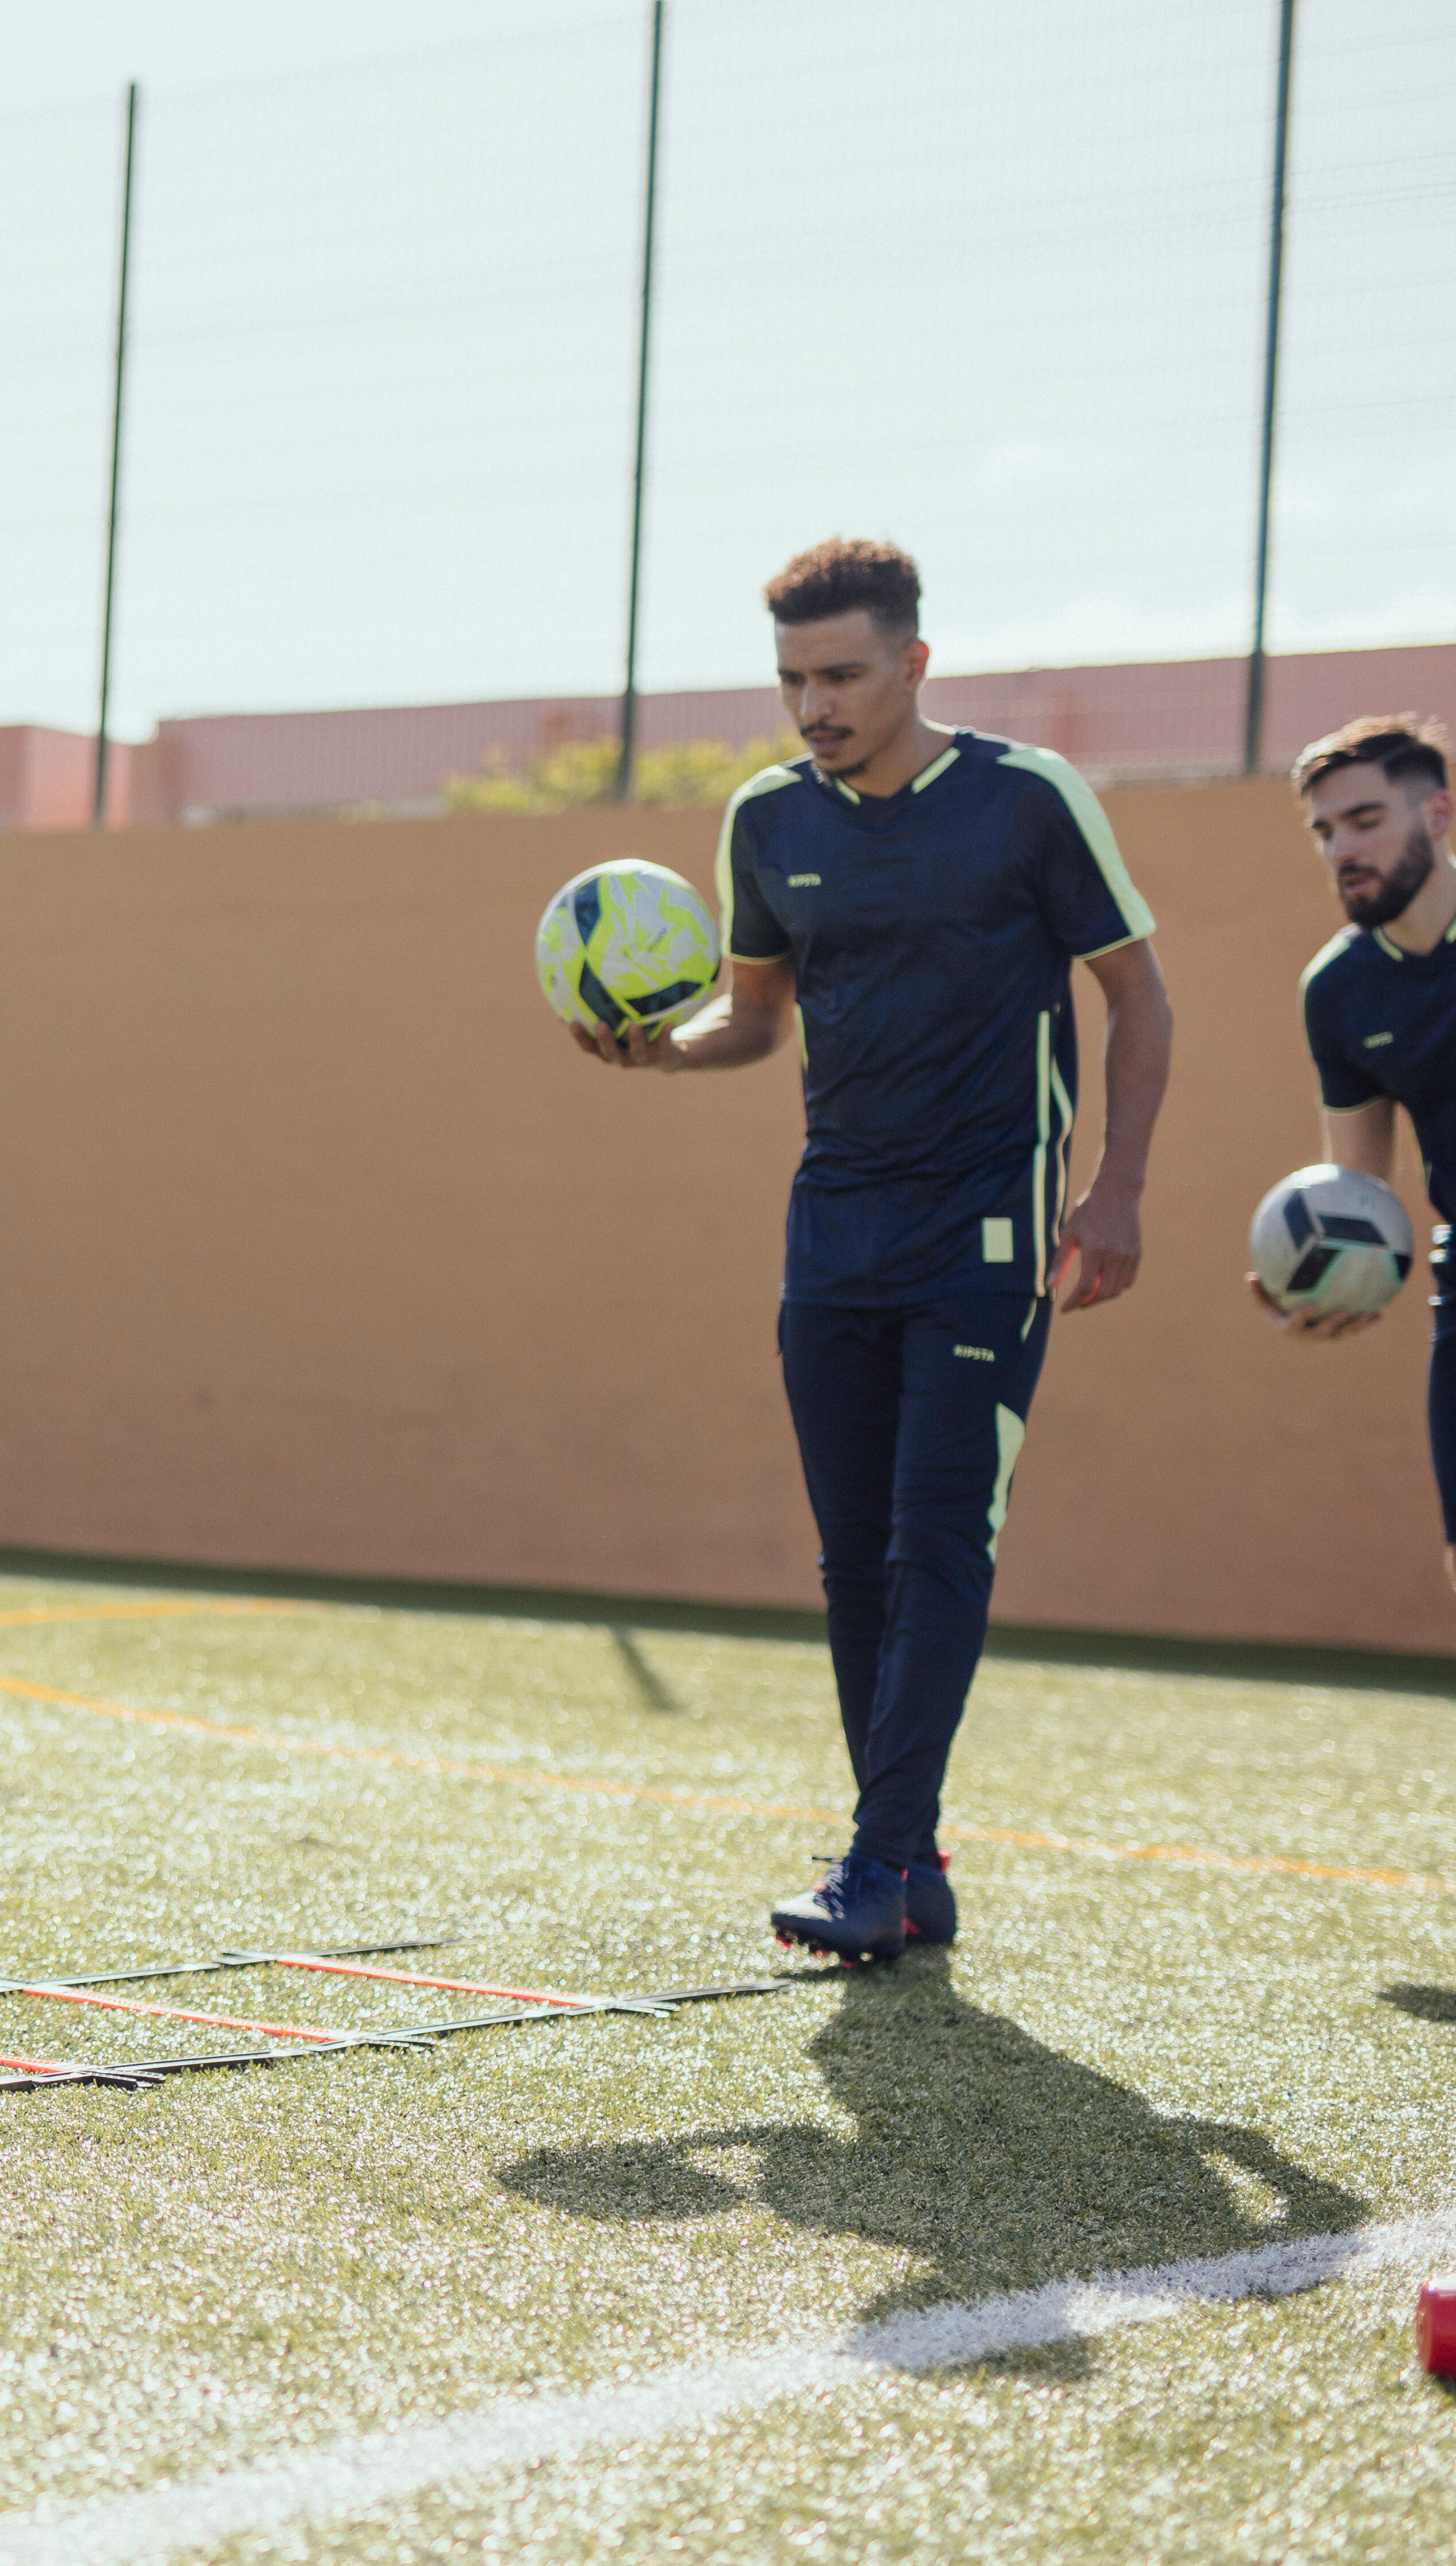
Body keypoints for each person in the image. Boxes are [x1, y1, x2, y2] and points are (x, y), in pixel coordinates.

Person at [571, 537, 1173, 1966]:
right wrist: (660, 1052)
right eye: (792, 678)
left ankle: (877, 1857)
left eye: (842, 674)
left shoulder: (1028, 801)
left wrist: (1118, 1191)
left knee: (935, 1537)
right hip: (831, 1228)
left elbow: (1138, 995)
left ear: (914, 662)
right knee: (855, 1562)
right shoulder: (770, 818)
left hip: (990, 1228)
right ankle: (910, 1860)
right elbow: (756, 1017)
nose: (815, 704)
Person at [1257, 715, 1456, 1912]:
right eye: (1325, 831)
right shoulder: (1340, 989)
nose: (1342, 849)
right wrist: (1320, 1288)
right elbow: (1356, 1198)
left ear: (1437, 813)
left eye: (1364, 819)